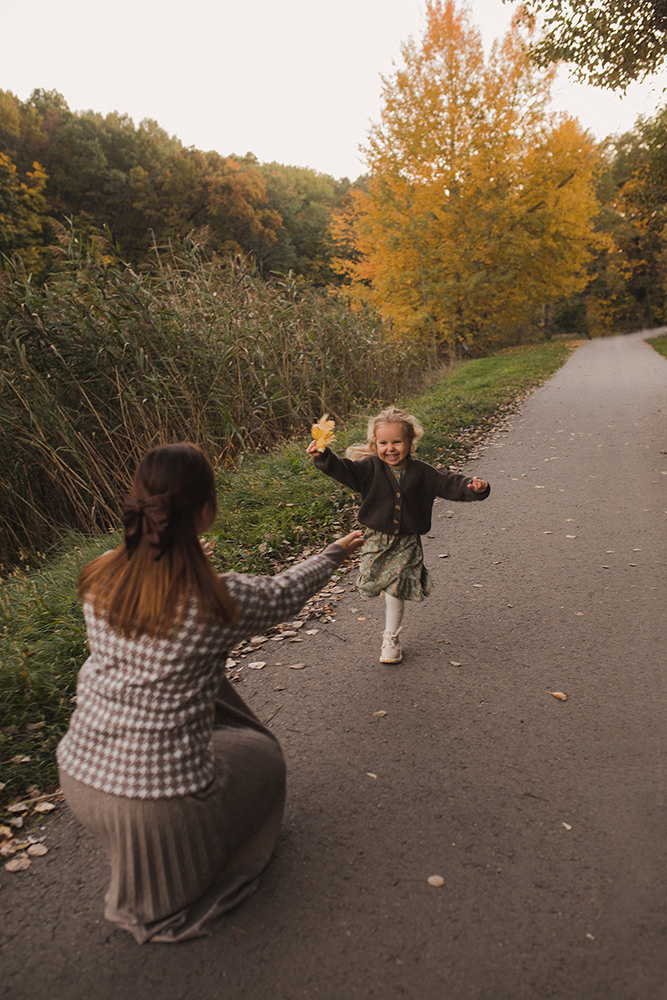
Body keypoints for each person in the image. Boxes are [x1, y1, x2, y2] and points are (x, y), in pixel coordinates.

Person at [56, 442, 363, 944]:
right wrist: (333, 553)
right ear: (205, 511)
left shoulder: (99, 574)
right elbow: (285, 592)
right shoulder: (217, 601)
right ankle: (181, 867)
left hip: (79, 776)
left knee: (206, 690)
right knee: (262, 757)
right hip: (153, 805)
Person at [307, 405, 489, 664]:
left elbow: (449, 483)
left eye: (397, 442)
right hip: (376, 539)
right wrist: (324, 456)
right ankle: (388, 587)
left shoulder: (422, 472)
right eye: (383, 443)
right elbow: (343, 469)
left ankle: (390, 638)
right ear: (375, 443)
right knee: (374, 582)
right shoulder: (368, 468)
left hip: (406, 541)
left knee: (396, 587)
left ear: (410, 442)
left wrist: (475, 488)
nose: (390, 448)